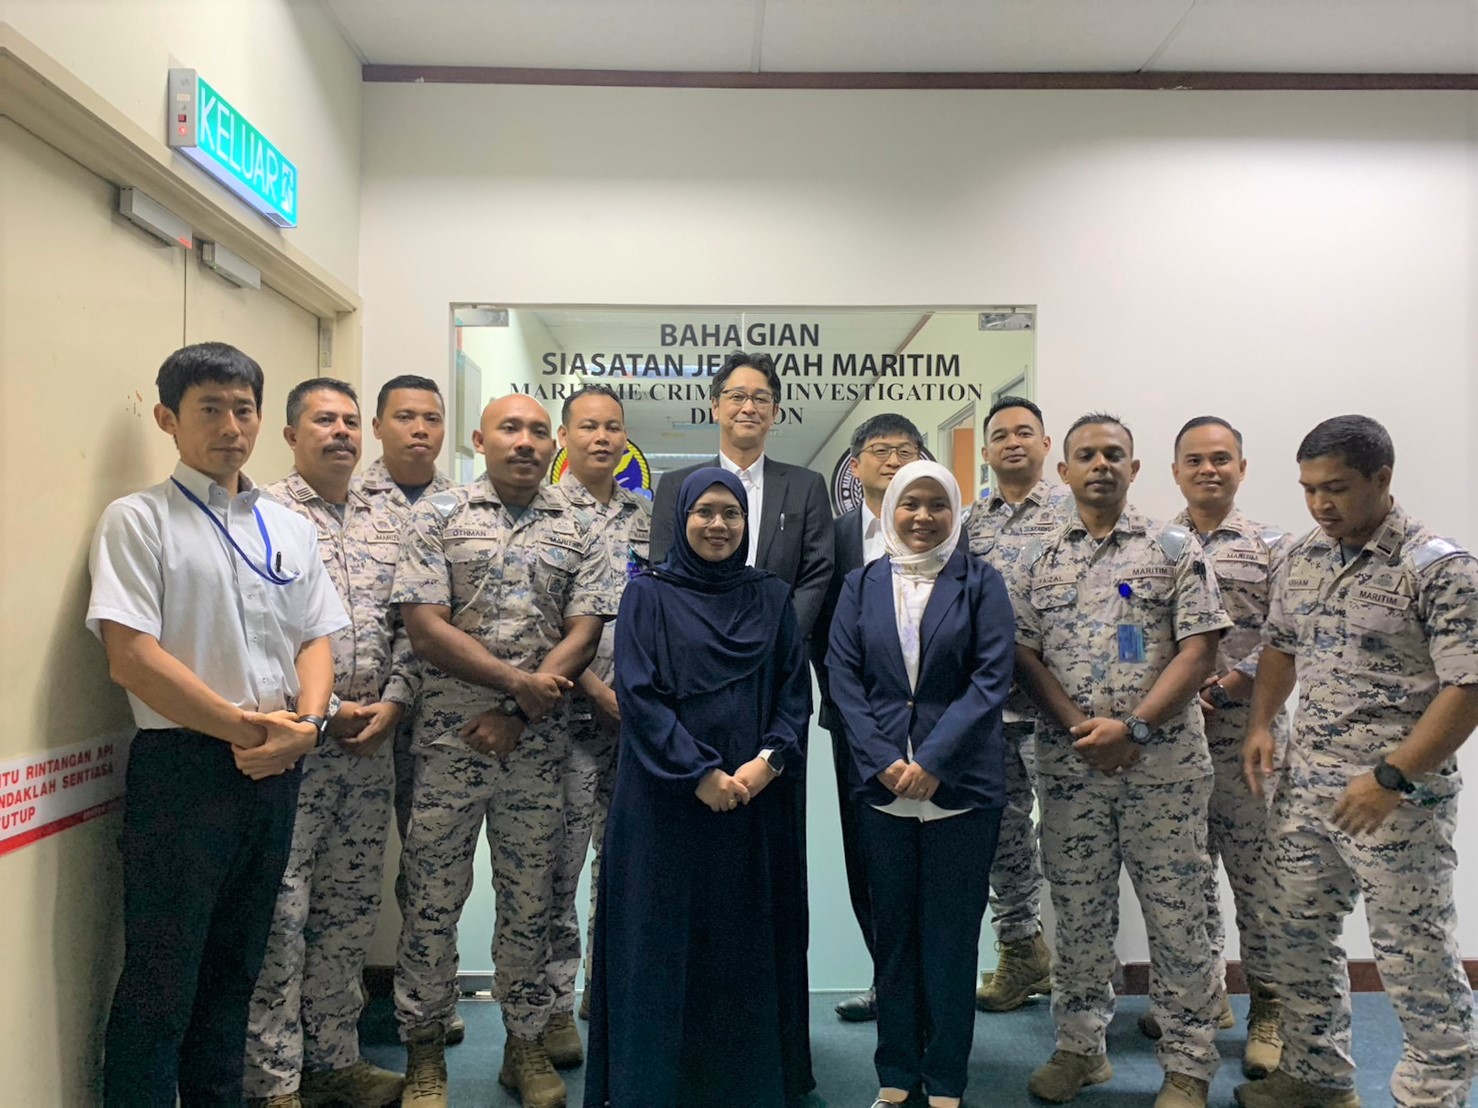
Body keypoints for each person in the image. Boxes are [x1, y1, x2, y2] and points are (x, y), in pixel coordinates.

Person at [86, 342, 347, 1106]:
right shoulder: (139, 521)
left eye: (243, 409)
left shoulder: (287, 526)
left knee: (236, 975)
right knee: (162, 981)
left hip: (277, 764)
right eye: (210, 408)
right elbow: (131, 658)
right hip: (185, 767)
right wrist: (247, 730)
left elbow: (315, 638)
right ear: (167, 418)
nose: (231, 426)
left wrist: (307, 725)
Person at [1235, 416, 1478, 1108]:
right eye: (1309, 488)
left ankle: (1433, 1091)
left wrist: (1392, 775)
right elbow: (1281, 645)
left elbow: (1468, 688)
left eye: (1336, 488)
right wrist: (1261, 723)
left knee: (1414, 952)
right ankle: (1317, 1076)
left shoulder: (1438, 568)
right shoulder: (1304, 555)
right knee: (1292, 931)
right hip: (1309, 787)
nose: (1320, 503)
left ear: (1382, 479)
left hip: (1396, 798)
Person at [392, 395, 618, 1108]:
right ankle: (425, 1052)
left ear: (554, 443)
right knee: (432, 901)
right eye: (510, 429)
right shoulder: (438, 516)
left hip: (538, 750)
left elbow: (584, 632)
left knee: (530, 902)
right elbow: (425, 628)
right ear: (480, 438)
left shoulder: (580, 527)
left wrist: (519, 710)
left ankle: (524, 1046)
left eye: (537, 431)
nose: (525, 442)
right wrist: (518, 684)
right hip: (449, 744)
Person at [1014, 414, 1230, 1108]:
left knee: (1178, 917)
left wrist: (1134, 728)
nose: (1101, 464)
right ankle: (1081, 1048)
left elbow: (1200, 648)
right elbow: (1023, 653)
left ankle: (1188, 1065)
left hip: (1163, 770)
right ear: (1064, 471)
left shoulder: (1174, 549)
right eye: (1087, 455)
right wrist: (1080, 727)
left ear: (1135, 469)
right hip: (1071, 768)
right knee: (1077, 913)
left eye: (1114, 454)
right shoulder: (1037, 558)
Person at [584, 469, 812, 1108]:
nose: (718, 524)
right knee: (662, 939)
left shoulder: (771, 596)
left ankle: (745, 1080)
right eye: (704, 512)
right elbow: (639, 695)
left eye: (731, 514)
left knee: (745, 938)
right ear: (680, 519)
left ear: (748, 523)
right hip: (666, 801)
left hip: (754, 801)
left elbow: (794, 691)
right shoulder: (647, 596)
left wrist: (767, 763)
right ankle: (657, 1082)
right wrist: (700, 774)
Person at [241, 379, 414, 1107]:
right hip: (292, 749)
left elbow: (414, 622)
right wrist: (330, 710)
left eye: (349, 421)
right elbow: (255, 632)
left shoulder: (391, 519)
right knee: (281, 913)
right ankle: (273, 1080)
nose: (341, 432)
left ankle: (335, 1059)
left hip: (371, 752)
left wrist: (395, 702)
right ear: (290, 435)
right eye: (323, 420)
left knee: (349, 909)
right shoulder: (261, 516)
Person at [826, 460, 1015, 1108]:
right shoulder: (859, 585)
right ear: (890, 511)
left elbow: (991, 679)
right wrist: (882, 758)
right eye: (911, 504)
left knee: (951, 939)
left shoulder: (981, 583)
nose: (923, 516)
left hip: (961, 788)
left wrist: (933, 760)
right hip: (882, 790)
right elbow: (842, 677)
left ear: (955, 512)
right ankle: (897, 1072)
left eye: (937, 504)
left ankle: (946, 1078)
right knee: (893, 937)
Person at [1148, 416, 1289, 1077]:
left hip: (1245, 740)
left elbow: (1290, 635)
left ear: (1241, 467)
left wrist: (1231, 685)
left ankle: (1270, 1008)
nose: (1209, 469)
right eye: (1196, 460)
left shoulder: (1273, 547)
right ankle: (1200, 1000)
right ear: (1176, 470)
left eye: (1221, 459)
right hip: (1176, 739)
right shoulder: (1154, 546)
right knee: (1186, 878)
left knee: (1258, 880)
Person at [360, 374, 464, 1049]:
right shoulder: (344, 501)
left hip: (440, 716)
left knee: (433, 873)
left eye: (431, 417)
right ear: (379, 426)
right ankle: (330, 1031)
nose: (420, 429)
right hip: (356, 722)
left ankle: (434, 1004)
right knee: (347, 876)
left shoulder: (466, 506)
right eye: (404, 417)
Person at [811, 412, 925, 1023]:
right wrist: (843, 699)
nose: (892, 460)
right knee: (866, 851)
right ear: (855, 467)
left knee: (930, 854)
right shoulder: (830, 535)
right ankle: (887, 979)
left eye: (904, 449)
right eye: (879, 450)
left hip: (932, 724)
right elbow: (817, 626)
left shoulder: (946, 529)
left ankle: (931, 986)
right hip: (855, 721)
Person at [963, 395, 1071, 1014]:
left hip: (1058, 710)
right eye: (1001, 435)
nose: (1013, 443)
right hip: (991, 711)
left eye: (1025, 432)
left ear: (1045, 444)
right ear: (985, 451)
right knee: (1001, 835)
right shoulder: (969, 524)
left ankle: (1084, 970)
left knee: (1071, 836)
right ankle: (1021, 949)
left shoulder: (1074, 512)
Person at [547, 385, 651, 1032]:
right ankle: (555, 1007)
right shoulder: (544, 513)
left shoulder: (647, 517)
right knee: (558, 868)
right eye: (588, 426)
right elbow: (539, 621)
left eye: (613, 427)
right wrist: (593, 688)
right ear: (564, 436)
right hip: (564, 720)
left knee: (623, 867)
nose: (602, 437)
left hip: (635, 726)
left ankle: (605, 991)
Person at [649, 350, 834, 640]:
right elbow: (663, 567)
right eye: (737, 397)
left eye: (761, 398)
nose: (748, 408)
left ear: (774, 412)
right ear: (715, 407)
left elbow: (816, 573)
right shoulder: (676, 485)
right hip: (694, 644)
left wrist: (783, 638)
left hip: (780, 646)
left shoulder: (806, 486)